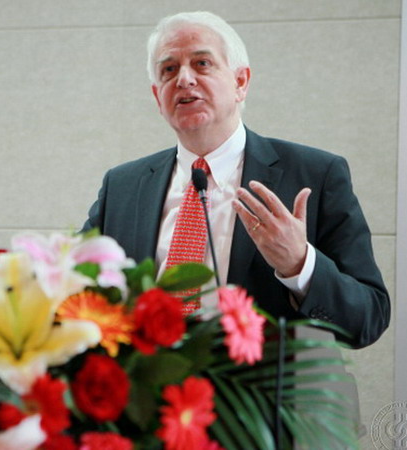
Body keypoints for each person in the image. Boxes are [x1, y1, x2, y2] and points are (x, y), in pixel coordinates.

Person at [83, 11, 390, 349]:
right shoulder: (123, 187)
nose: (184, 79)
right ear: (158, 97)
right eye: (169, 69)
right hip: (145, 378)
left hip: (257, 382)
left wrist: (299, 265)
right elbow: (76, 288)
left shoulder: (315, 174)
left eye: (202, 63)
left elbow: (368, 319)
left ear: (240, 82)